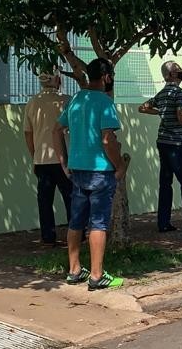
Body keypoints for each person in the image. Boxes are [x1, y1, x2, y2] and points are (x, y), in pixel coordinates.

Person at [58, 58, 128, 290]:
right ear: (107, 77)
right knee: (98, 223)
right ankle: (97, 275)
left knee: (76, 221)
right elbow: (107, 139)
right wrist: (119, 165)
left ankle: (74, 270)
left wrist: (64, 162)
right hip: (100, 171)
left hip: (77, 170)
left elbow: (55, 130)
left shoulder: (76, 99)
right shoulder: (105, 102)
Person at [140, 61, 182, 234]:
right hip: (177, 144)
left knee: (165, 183)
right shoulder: (179, 93)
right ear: (169, 75)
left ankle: (163, 222)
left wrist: (161, 112)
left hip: (163, 142)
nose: (180, 71)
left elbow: (143, 107)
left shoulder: (162, 94)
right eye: (176, 69)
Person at [24, 72, 71, 246]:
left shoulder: (32, 102)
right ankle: (77, 234)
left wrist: (34, 155)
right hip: (64, 159)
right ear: (58, 80)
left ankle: (48, 237)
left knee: (45, 201)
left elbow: (28, 133)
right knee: (71, 197)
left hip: (42, 159)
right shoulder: (67, 100)